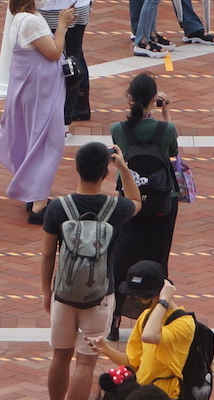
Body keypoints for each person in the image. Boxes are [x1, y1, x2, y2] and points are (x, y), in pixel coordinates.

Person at [39, 140, 134, 400]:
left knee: (61, 355)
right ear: (106, 172)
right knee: (85, 361)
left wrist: (47, 292)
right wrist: (124, 168)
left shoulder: (58, 208)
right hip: (100, 294)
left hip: (64, 292)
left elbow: (48, 255)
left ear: (76, 168)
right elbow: (136, 200)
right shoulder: (118, 208)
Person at [0, 0, 77, 221]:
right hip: (42, 95)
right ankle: (39, 204)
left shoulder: (21, 17)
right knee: (48, 143)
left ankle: (34, 194)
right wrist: (62, 26)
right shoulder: (31, 21)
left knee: (35, 141)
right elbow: (53, 52)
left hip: (35, 91)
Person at [107, 76, 181, 313]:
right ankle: (155, 312)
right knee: (159, 257)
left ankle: (116, 317)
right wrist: (166, 115)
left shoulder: (118, 129)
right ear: (154, 99)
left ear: (129, 98)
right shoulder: (166, 129)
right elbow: (173, 153)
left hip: (129, 202)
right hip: (162, 203)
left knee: (120, 257)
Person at [88, 262, 201, 396]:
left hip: (163, 395)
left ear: (159, 293)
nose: (140, 301)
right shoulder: (146, 316)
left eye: (144, 297)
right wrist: (105, 349)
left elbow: (149, 336)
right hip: (141, 392)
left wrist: (164, 301)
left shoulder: (184, 324)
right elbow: (132, 363)